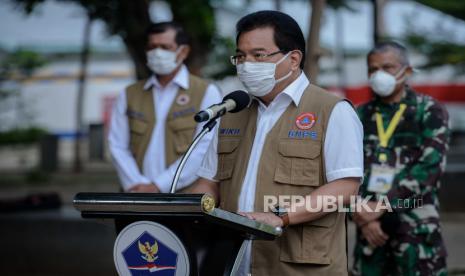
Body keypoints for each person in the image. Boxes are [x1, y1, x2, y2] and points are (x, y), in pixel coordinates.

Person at [187, 10, 364, 275]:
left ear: (293, 59)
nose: (246, 65)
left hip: (299, 264)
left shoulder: (331, 110)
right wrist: (189, 209)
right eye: (241, 56)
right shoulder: (232, 113)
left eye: (258, 55)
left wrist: (281, 216)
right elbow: (209, 182)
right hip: (233, 261)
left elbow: (345, 187)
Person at [352, 41, 449, 275]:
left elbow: (429, 169)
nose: (379, 75)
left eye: (387, 67)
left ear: (406, 71)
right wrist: (362, 216)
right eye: (373, 70)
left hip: (415, 231)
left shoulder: (428, 110)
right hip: (370, 235)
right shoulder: (358, 114)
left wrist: (381, 206)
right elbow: (344, 169)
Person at [108, 21, 221, 193]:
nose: (157, 53)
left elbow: (204, 147)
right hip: (134, 195)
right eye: (152, 47)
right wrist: (136, 185)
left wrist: (158, 186)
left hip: (182, 197)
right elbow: (117, 145)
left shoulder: (206, 92)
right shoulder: (129, 94)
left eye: (165, 47)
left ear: (183, 51)